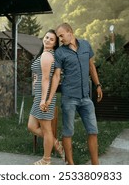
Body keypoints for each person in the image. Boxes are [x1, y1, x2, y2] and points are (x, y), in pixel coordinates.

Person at [44, 23, 103, 165]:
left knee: (93, 131)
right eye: (58, 37)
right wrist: (49, 98)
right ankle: (70, 165)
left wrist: (98, 85)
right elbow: (56, 76)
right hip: (69, 97)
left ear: (70, 32)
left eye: (62, 35)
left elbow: (91, 66)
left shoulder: (85, 45)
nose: (60, 39)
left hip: (86, 97)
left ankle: (96, 165)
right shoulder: (60, 52)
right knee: (68, 132)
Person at [27, 29, 65, 165]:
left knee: (47, 129)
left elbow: (46, 79)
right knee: (32, 126)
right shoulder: (45, 54)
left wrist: (44, 99)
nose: (47, 40)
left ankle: (46, 159)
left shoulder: (47, 56)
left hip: (44, 96)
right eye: (46, 37)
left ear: (55, 44)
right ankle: (55, 142)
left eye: (51, 39)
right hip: (39, 96)